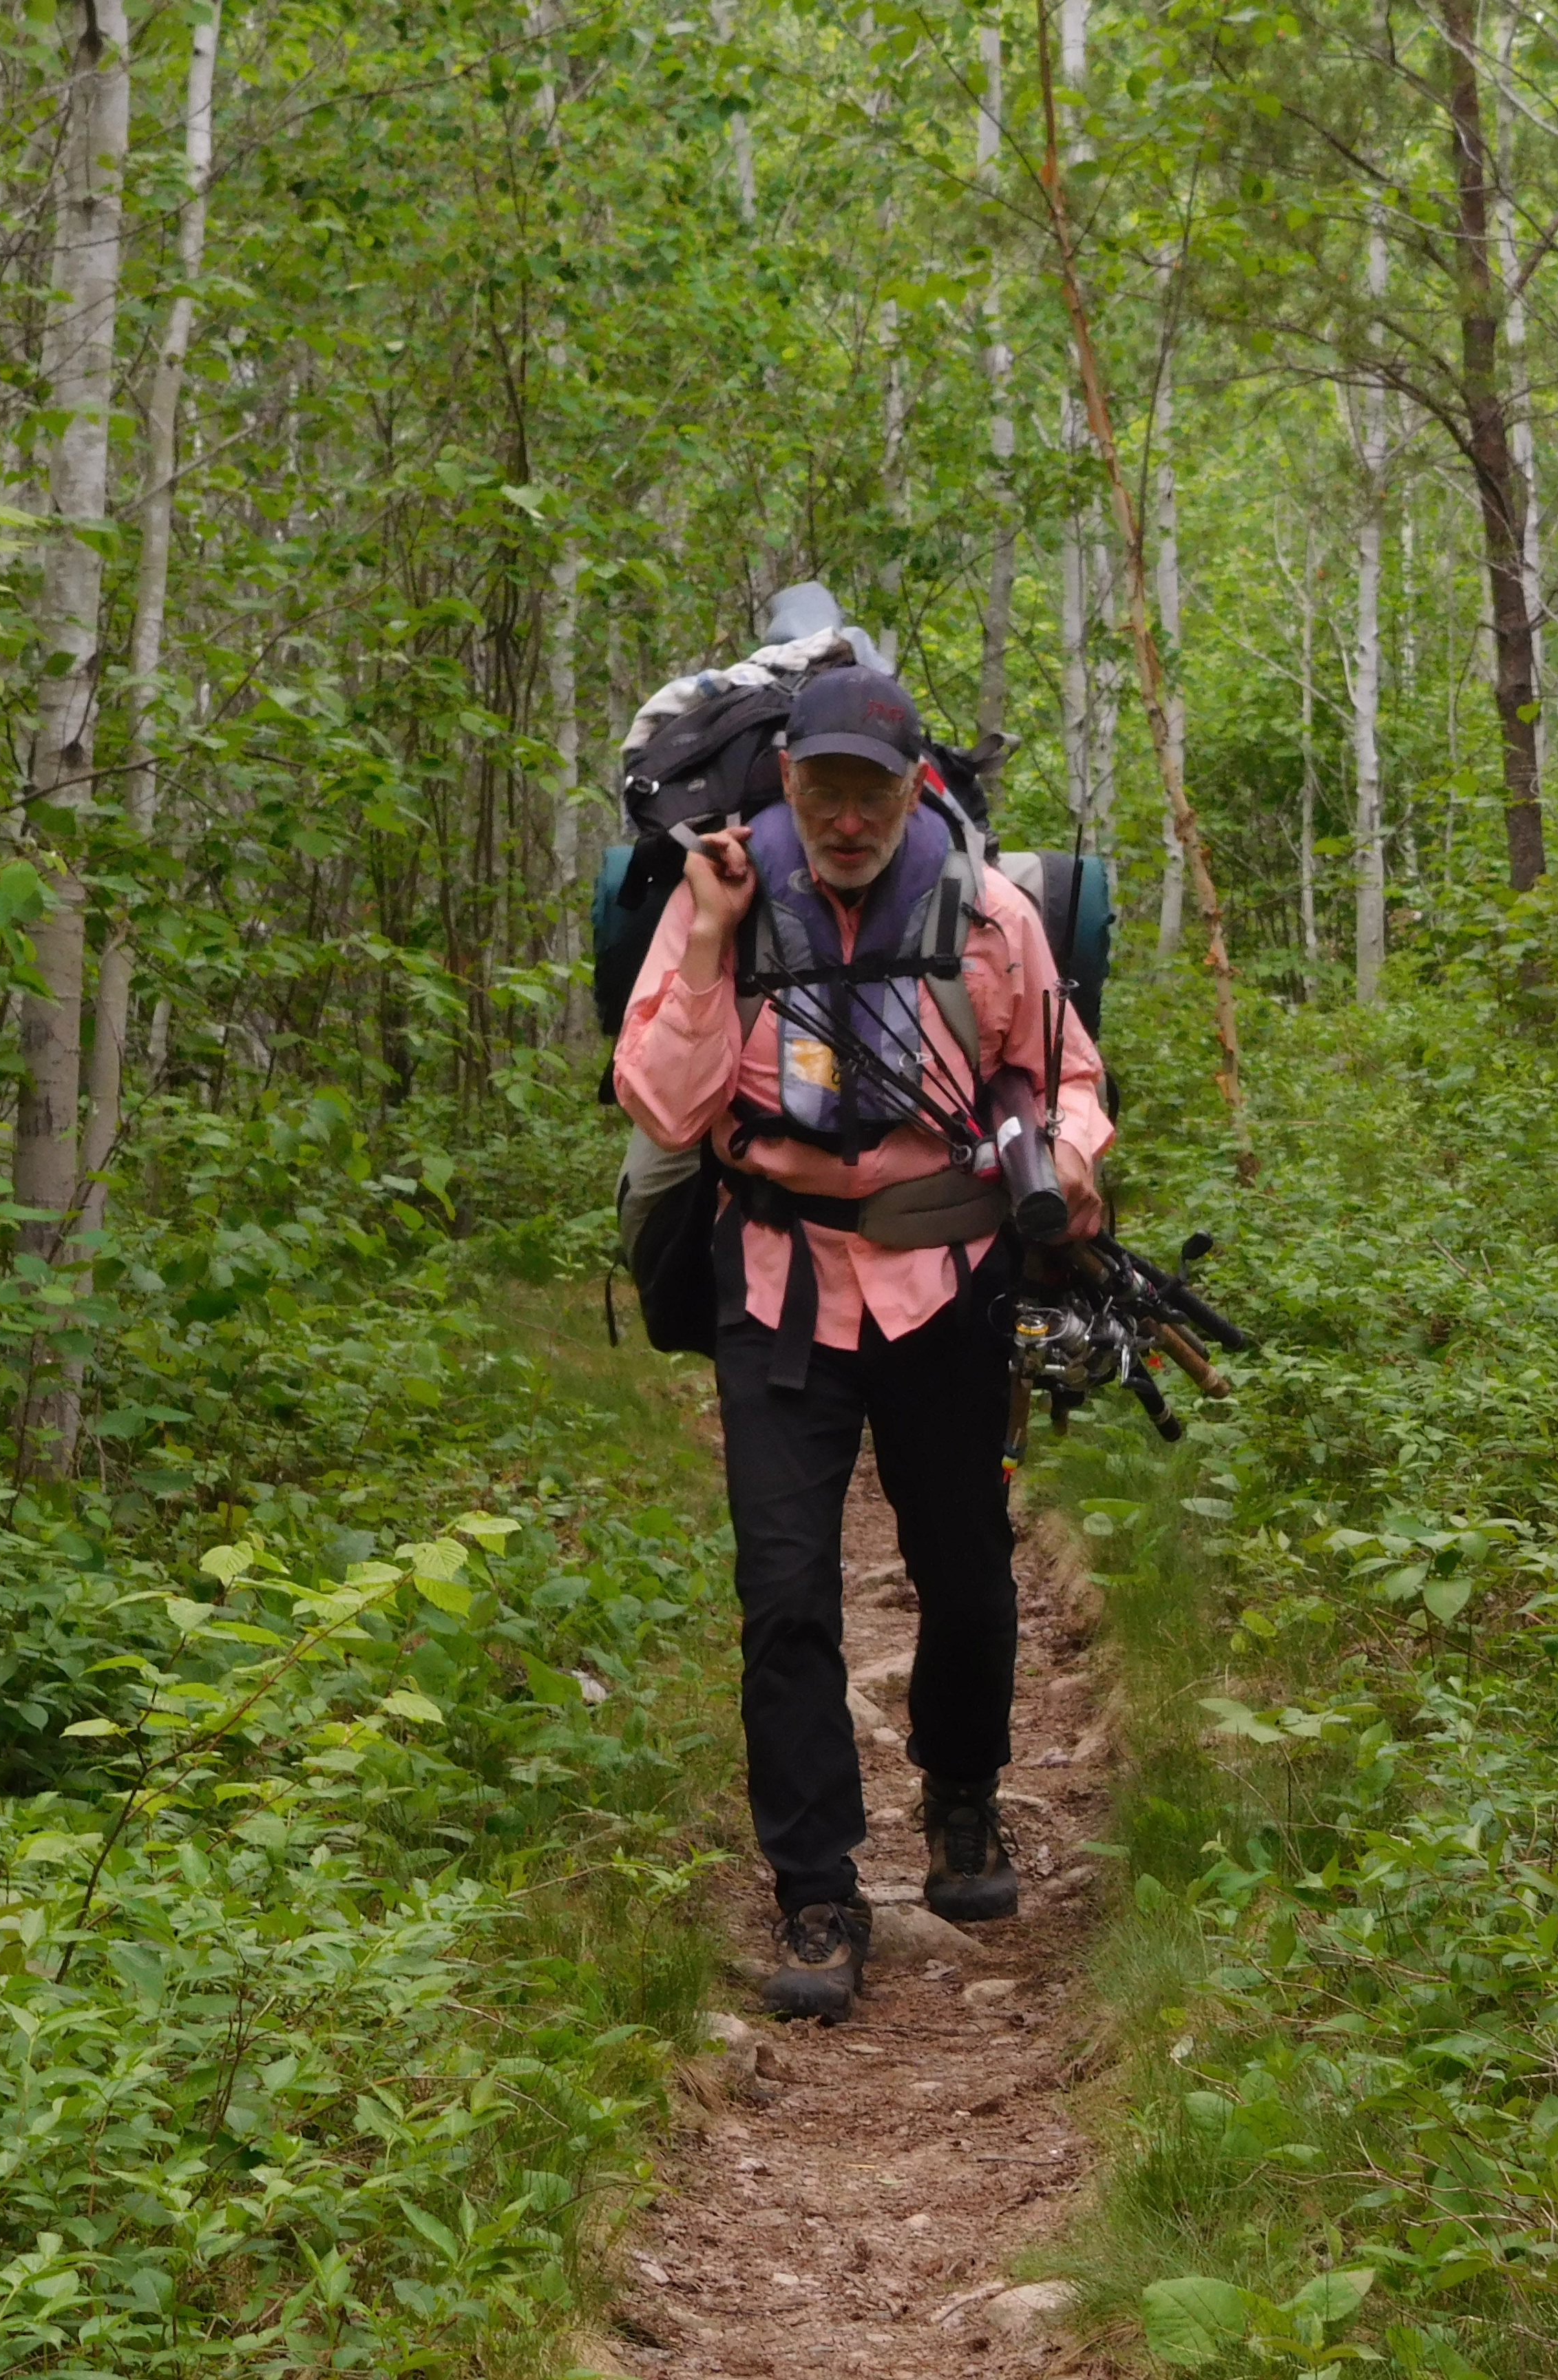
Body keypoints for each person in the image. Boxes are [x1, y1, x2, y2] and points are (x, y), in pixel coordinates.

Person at [613, 663, 1111, 2020]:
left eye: (871, 796)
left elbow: (1065, 1077)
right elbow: (664, 1106)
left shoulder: (990, 914)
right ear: (789, 780)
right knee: (785, 1598)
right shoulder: (720, 901)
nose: (845, 820)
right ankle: (817, 1893)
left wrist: (1070, 1157)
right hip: (777, 1283)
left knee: (968, 1578)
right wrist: (710, 943)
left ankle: (962, 1798)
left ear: (909, 793)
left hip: (948, 1285)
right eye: (824, 790)